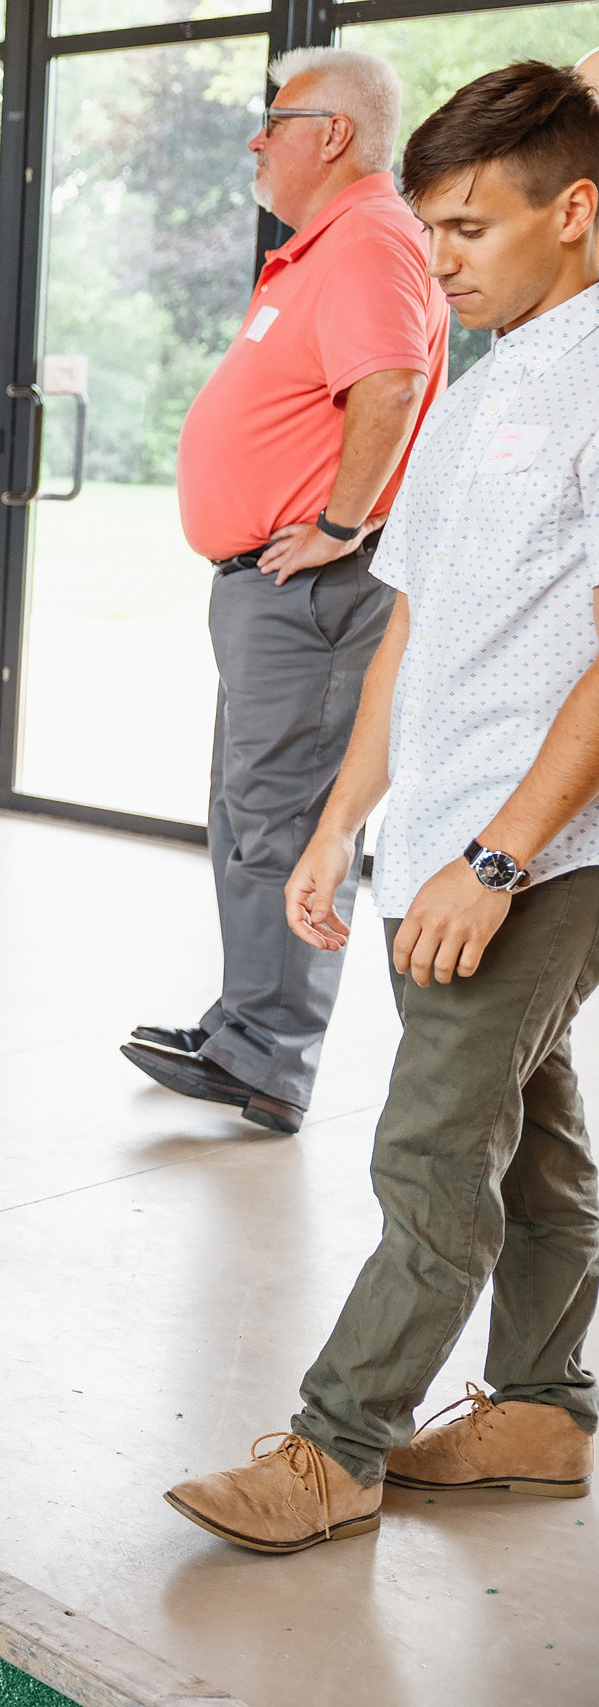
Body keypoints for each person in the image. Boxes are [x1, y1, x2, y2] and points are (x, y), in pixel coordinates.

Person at [167, 62, 599, 1555]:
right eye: (432, 229)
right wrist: (345, 818)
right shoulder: (480, 387)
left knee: (429, 1149)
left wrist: (497, 855)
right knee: (525, 1128)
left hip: (537, 848)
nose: (442, 260)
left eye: (471, 228)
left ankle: (337, 1443)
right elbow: (408, 627)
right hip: (441, 834)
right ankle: (543, 1407)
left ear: (575, 210)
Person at [122, 47, 444, 1135]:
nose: (257, 140)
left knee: (283, 817)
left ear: (335, 133)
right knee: (247, 809)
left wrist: (341, 525)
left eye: (277, 120)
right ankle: (242, 1026)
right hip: (268, 589)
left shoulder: (369, 238)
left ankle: (267, 1057)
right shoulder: (325, 246)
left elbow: (391, 383)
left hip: (313, 590)